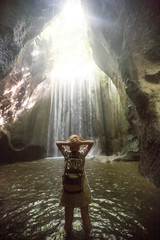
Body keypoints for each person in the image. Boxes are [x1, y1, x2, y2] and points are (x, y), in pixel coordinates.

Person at [56, 135, 94, 239]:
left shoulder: (66, 154)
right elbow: (91, 143)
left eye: (76, 139)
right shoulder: (82, 154)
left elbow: (58, 144)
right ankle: (88, 236)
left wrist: (70, 144)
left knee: (68, 218)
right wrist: (77, 144)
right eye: (73, 139)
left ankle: (68, 236)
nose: (75, 140)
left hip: (68, 189)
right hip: (81, 188)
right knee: (85, 215)